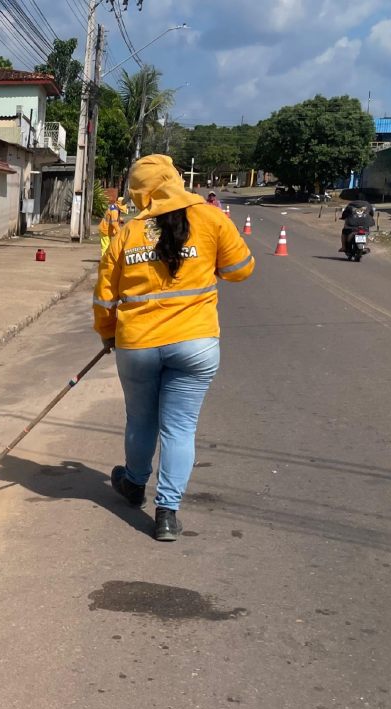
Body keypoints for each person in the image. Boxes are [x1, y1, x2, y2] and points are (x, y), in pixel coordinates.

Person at [94, 155, 255, 541]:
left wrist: (108, 334)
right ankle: (166, 514)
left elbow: (104, 296)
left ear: (140, 192)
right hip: (195, 343)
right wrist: (207, 263)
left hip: (137, 344)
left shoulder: (128, 233)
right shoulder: (212, 219)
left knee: (140, 420)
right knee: (180, 428)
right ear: (176, 180)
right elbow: (241, 270)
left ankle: (134, 484)